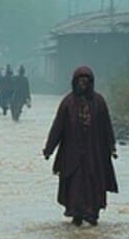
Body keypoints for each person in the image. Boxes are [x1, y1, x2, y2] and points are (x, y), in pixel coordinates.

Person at [42, 65, 118, 225]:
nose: (83, 83)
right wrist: (49, 148)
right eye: (80, 80)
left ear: (91, 82)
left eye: (86, 80)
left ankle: (92, 212)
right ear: (75, 82)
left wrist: (112, 146)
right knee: (74, 183)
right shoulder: (67, 103)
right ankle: (76, 212)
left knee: (94, 181)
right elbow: (58, 127)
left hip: (95, 153)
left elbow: (106, 126)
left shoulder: (99, 102)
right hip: (72, 153)